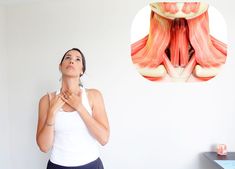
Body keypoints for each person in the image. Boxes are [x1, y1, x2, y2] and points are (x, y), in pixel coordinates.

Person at [36, 48, 110, 169]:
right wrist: (51, 113)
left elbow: (104, 139)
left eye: (77, 59)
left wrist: (79, 107)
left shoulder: (94, 96)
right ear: (60, 67)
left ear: (82, 70)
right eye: (68, 58)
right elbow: (44, 147)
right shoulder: (46, 100)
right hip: (57, 166)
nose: (72, 61)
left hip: (91, 165)